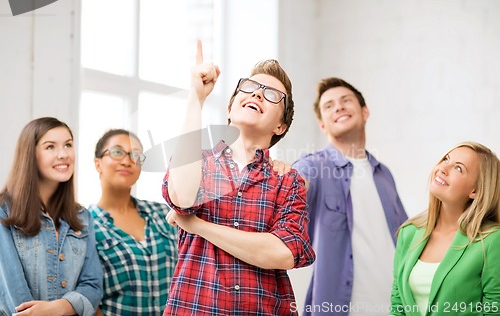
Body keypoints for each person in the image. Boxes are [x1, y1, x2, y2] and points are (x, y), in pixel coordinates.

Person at [162, 41, 315, 315]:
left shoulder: (287, 180)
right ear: (230, 109)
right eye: (250, 88)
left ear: (281, 125)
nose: (257, 94)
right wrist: (196, 97)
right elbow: (182, 198)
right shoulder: (197, 161)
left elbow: (282, 253)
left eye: (271, 95)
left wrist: (197, 226)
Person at [292, 77, 408, 316]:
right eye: (329, 106)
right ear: (322, 124)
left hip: (396, 307)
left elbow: (407, 237)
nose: (339, 107)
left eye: (346, 100)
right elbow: (293, 185)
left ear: (365, 112)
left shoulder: (383, 173)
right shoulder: (313, 166)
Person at [0, 117, 103, 316]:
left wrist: (60, 307)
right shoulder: (4, 211)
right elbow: (13, 293)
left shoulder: (83, 217)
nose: (63, 154)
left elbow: (93, 286)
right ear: (31, 154)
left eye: (68, 145)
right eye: (50, 147)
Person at [390, 141, 500, 316]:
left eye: (458, 168)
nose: (443, 168)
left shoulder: (492, 240)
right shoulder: (408, 233)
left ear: (475, 191)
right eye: (446, 159)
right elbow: (398, 305)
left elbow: (494, 310)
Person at [88, 129, 178, 316]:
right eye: (117, 152)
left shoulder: (163, 213)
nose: (128, 160)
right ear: (98, 164)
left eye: (136, 155)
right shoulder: (85, 226)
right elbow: (87, 298)